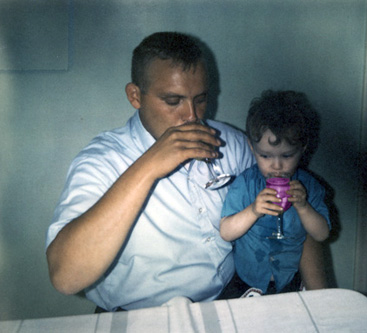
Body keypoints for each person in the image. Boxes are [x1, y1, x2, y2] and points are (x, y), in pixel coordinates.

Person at [45, 32, 326, 312]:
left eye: (200, 99)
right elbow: (65, 278)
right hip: (137, 316)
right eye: (173, 101)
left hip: (229, 300)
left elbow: (293, 220)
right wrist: (149, 166)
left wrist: (322, 304)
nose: (192, 116)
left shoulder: (232, 143)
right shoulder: (101, 160)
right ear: (135, 96)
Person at [219, 90, 331, 295]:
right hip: (247, 281)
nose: (277, 165)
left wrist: (304, 207)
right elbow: (226, 232)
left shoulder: (308, 186)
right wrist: (253, 210)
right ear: (252, 149)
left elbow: (322, 234)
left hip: (289, 280)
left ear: (302, 148)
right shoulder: (245, 184)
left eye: (287, 155)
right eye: (266, 156)